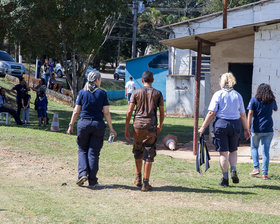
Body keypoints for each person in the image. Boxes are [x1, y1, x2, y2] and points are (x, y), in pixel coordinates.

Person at [198, 72, 250, 187]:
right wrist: (246, 128)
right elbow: (242, 114)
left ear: (221, 81)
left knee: (223, 152)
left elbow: (212, 112)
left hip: (221, 124)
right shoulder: (238, 95)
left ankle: (225, 178)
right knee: (233, 150)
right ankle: (234, 170)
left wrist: (203, 127)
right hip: (235, 125)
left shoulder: (218, 94)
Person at [67, 71, 117, 188]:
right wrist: (111, 128)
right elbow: (106, 112)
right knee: (93, 152)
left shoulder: (82, 93)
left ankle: (82, 174)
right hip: (97, 124)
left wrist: (71, 125)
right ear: (97, 80)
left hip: (83, 123)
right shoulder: (102, 93)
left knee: (82, 150)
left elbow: (76, 111)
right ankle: (93, 181)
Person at [125, 70, 164, 192]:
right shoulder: (158, 93)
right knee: (149, 153)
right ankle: (145, 183)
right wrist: (160, 125)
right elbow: (162, 113)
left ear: (142, 81)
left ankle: (138, 178)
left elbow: (129, 111)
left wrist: (127, 127)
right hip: (150, 127)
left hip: (137, 126)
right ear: (152, 80)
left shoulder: (136, 93)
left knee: (137, 151)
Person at [247, 83, 278, 179]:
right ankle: (265, 174)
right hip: (268, 129)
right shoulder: (272, 100)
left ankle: (256, 168)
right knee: (265, 152)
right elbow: (276, 109)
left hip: (256, 129)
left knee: (254, 148)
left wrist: (248, 127)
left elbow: (250, 113)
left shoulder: (254, 100)